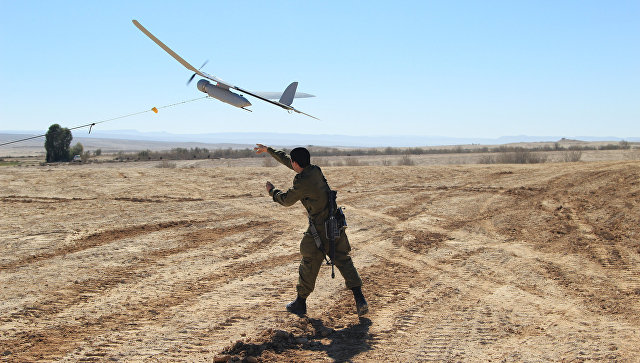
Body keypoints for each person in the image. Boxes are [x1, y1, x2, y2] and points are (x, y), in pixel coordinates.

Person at [254, 144, 368, 317]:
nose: (291, 165)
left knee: (309, 260)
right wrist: (269, 151)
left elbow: (286, 200)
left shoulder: (302, 182)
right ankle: (360, 300)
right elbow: (289, 161)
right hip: (334, 222)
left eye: (293, 162)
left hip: (320, 228)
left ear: (296, 163)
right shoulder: (314, 170)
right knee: (343, 260)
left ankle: (300, 303)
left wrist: (272, 192)